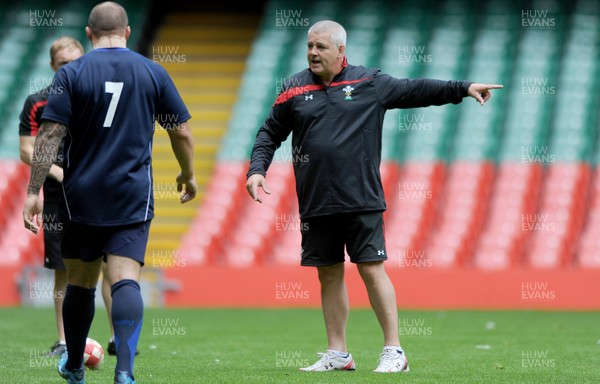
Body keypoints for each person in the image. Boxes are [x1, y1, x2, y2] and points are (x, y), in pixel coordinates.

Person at [246, 20, 502, 373]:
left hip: (361, 198)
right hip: (316, 201)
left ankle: (395, 350)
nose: (313, 53)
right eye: (309, 46)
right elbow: (269, 132)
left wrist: (463, 87)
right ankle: (338, 353)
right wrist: (257, 169)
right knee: (329, 273)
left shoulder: (369, 82)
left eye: (320, 47)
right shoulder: (293, 88)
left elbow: (415, 90)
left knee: (370, 268)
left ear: (340, 51)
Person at [22, 2, 197, 384]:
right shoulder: (152, 71)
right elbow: (180, 130)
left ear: (88, 33)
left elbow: (49, 135)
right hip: (132, 193)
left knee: (80, 281)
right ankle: (125, 372)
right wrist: (187, 174)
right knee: (124, 280)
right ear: (128, 32)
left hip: (80, 193)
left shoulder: (71, 73)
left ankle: (72, 365)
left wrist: (34, 190)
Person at [18, 36, 83, 358]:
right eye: (63, 65)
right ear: (52, 66)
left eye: (75, 63)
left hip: (94, 191)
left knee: (112, 266)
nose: (69, 69)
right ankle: (63, 340)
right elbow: (27, 149)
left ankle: (116, 339)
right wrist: (55, 173)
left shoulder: (94, 99)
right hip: (58, 195)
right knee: (62, 269)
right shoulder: (38, 102)